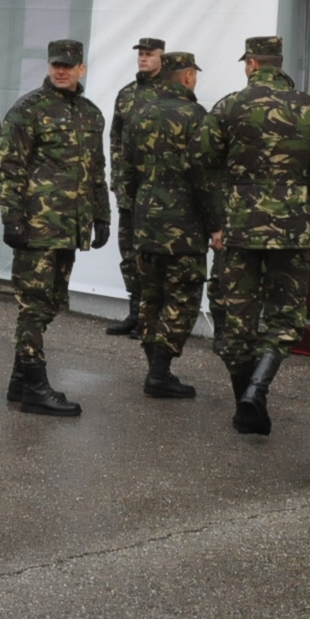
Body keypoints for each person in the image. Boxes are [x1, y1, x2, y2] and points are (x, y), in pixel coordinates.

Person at [201, 36, 310, 437]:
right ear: (278, 65)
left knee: (236, 318)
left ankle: (244, 400)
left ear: (251, 63)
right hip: (291, 230)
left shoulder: (229, 106)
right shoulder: (308, 107)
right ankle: (258, 388)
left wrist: (216, 221)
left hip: (239, 229)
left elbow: (201, 164)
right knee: (285, 316)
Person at [0, 38, 109, 418]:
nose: (60, 70)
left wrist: (102, 216)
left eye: (68, 65)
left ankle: (19, 379)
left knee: (50, 304)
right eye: (55, 64)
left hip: (70, 227)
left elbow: (96, 170)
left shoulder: (92, 114)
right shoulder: (28, 110)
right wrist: (11, 218)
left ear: (82, 68)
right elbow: (8, 167)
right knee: (32, 306)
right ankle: (35, 387)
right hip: (36, 228)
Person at [116, 51, 221, 400]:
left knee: (151, 297)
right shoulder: (197, 116)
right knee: (183, 300)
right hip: (184, 227)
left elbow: (126, 172)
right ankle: (159, 372)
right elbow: (205, 177)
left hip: (145, 223)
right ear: (188, 76)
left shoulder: (140, 113)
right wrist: (216, 224)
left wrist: (132, 214)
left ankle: (154, 367)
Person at [104, 37, 165, 338]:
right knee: (129, 253)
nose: (143, 59)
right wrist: (117, 177)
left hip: (158, 192)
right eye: (140, 54)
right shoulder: (127, 94)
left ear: (162, 57)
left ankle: (151, 318)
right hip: (129, 189)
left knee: (152, 254)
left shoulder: (170, 92)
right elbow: (116, 137)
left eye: (149, 54)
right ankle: (135, 311)